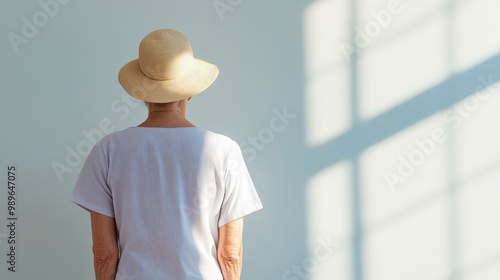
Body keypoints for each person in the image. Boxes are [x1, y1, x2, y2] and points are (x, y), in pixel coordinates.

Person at [71, 29, 263, 280]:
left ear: (143, 93)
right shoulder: (225, 150)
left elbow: (104, 254)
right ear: (191, 90)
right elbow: (230, 254)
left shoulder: (108, 150)